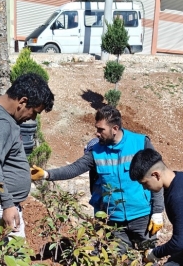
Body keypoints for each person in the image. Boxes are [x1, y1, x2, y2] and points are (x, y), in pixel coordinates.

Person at [31, 105, 164, 253]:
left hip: (142, 216)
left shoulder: (140, 143)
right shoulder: (96, 152)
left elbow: (157, 177)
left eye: (101, 130)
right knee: (116, 265)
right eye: (97, 129)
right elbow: (74, 168)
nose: (97, 134)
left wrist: (157, 211)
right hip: (114, 221)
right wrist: (46, 174)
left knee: (149, 259)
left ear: (115, 128)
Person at [0, 73, 54, 238]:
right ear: (22, 101)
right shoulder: (2, 122)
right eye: (34, 112)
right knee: (13, 260)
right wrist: (7, 204)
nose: (33, 118)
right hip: (0, 207)